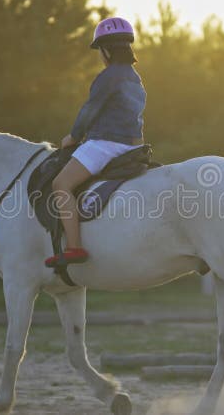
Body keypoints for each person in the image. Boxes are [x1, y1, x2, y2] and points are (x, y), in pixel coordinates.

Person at [44, 17, 147, 267]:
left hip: (106, 144)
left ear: (107, 50)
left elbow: (90, 110)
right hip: (133, 146)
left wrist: (73, 136)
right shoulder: (135, 78)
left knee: (61, 184)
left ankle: (74, 247)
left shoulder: (108, 76)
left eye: (100, 51)